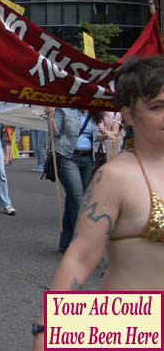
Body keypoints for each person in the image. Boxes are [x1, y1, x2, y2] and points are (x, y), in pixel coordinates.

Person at [31, 55, 164, 350]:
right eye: (157, 107)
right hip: (131, 328)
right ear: (129, 116)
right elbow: (80, 256)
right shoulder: (114, 177)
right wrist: (47, 329)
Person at [45, 107, 109, 253]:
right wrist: (50, 117)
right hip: (68, 157)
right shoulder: (65, 110)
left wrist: (106, 136)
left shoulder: (94, 113)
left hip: (87, 159)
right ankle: (81, 245)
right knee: (79, 201)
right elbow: (54, 133)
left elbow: (93, 137)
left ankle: (65, 243)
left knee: (73, 201)